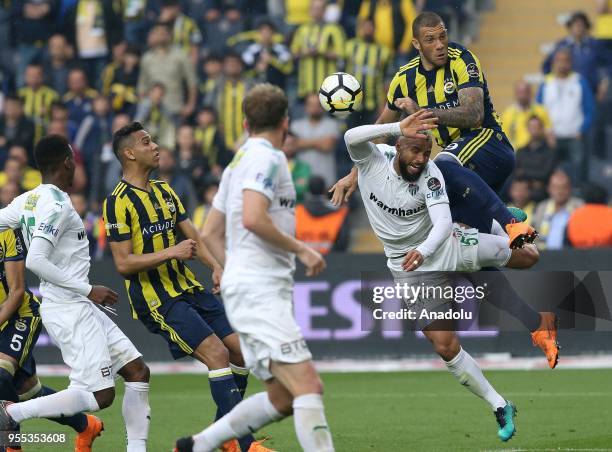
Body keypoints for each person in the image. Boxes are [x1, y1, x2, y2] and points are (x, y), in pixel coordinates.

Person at [330, 12, 559, 369]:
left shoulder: (462, 60)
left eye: (443, 37)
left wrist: (423, 113)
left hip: (488, 147)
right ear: (416, 44)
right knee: (472, 262)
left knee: (444, 165)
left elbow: (472, 114)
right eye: (431, 40)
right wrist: (352, 175)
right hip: (464, 179)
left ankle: (506, 219)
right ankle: (537, 324)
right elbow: (379, 133)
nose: (440, 45)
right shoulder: (403, 79)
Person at [342, 110, 542, 441]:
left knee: (529, 256)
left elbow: (442, 224)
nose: (421, 159)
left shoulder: (431, 175)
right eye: (415, 150)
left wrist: (423, 250)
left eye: (427, 151)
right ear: (399, 144)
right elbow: (351, 137)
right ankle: (500, 405)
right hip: (409, 271)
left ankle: (497, 219)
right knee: (445, 347)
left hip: (444, 246)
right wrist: (395, 125)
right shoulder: (372, 161)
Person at [175, 84, 333, 452]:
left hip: (252, 288)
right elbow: (252, 218)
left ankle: (195, 446)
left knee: (283, 398)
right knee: (308, 386)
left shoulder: (239, 160)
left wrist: (230, 272)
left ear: (245, 122)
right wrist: (303, 251)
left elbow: (210, 232)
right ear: (285, 121)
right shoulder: (268, 157)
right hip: (260, 291)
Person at [104, 122, 270, 452]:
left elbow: (192, 233)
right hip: (157, 298)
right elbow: (123, 263)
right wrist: (172, 252)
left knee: (240, 350)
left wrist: (217, 268)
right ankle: (244, 443)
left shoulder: (165, 190)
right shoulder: (117, 202)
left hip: (188, 287)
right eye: (146, 142)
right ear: (129, 153)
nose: (155, 146)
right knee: (217, 354)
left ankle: (220, 435)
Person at [0, 135, 151, 451]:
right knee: (100, 395)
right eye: (74, 160)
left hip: (77, 304)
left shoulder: (29, 200)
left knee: (137, 370)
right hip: (70, 306)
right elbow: (37, 259)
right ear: (68, 162)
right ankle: (13, 412)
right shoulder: (55, 205)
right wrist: (90, 289)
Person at [0, 226, 103, 452]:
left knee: (1, 375)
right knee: (28, 392)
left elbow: (16, 292)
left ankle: (10, 447)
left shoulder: (4, 230)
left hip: (20, 314)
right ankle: (85, 424)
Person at [537, 48, 594, 186]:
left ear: (571, 63)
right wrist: (546, 131)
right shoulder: (546, 83)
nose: (562, 64)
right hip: (552, 136)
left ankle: (577, 198)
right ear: (553, 63)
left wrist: (582, 130)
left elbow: (589, 109)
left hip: (574, 136)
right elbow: (538, 111)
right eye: (559, 60)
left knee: (578, 172)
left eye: (566, 61)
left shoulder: (579, 81)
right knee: (549, 171)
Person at [290, 0, 345, 99]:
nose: (317, 11)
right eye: (314, 8)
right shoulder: (301, 29)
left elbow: (341, 54)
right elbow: (293, 53)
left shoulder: (334, 29)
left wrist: (322, 53)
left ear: (324, 11)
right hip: (306, 85)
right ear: (310, 10)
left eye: (320, 9)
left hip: (328, 86)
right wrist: (306, 53)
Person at [288, 93, 341, 187]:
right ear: (305, 107)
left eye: (318, 104)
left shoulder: (332, 124)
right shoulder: (295, 125)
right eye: (311, 104)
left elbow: (327, 145)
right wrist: (319, 142)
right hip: (301, 179)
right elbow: (292, 146)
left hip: (326, 179)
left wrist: (302, 142)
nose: (314, 108)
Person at [295, 176, 350, 254]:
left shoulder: (298, 211)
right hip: (332, 259)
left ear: (308, 190)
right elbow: (342, 243)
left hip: (303, 259)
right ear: (324, 190)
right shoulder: (340, 213)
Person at [532, 170, 584, 250]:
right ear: (549, 189)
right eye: (555, 187)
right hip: (544, 256)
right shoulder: (542, 208)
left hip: (572, 255)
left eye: (563, 187)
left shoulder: (580, 207)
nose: (559, 191)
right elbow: (534, 236)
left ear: (570, 189)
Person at [501, 80, 555, 151]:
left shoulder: (541, 111)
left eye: (525, 92)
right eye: (520, 92)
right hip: (517, 154)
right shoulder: (507, 114)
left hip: (538, 153)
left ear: (531, 93)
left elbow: (549, 134)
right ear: (515, 94)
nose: (523, 95)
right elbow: (503, 140)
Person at [514, 116, 557, 202]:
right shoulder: (521, 151)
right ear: (527, 129)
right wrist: (534, 180)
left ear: (542, 129)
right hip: (522, 189)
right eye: (532, 127)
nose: (534, 129)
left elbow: (546, 174)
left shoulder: (549, 152)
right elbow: (516, 172)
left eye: (537, 127)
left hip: (541, 191)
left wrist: (524, 173)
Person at [567, 183, 612, 248]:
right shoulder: (610, 213)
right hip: (607, 255)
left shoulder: (575, 215)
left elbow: (567, 241)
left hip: (578, 255)